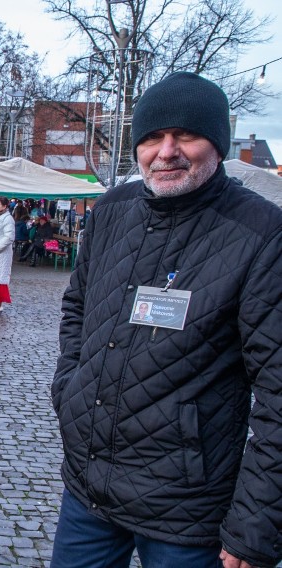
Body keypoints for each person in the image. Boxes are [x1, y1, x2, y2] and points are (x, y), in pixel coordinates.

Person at [50, 72, 282, 568]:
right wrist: (69, 389)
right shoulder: (111, 212)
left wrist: (254, 526)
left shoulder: (261, 233)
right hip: (90, 487)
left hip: (189, 508)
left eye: (187, 136)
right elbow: (78, 309)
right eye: (153, 137)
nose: (167, 151)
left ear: (217, 144)